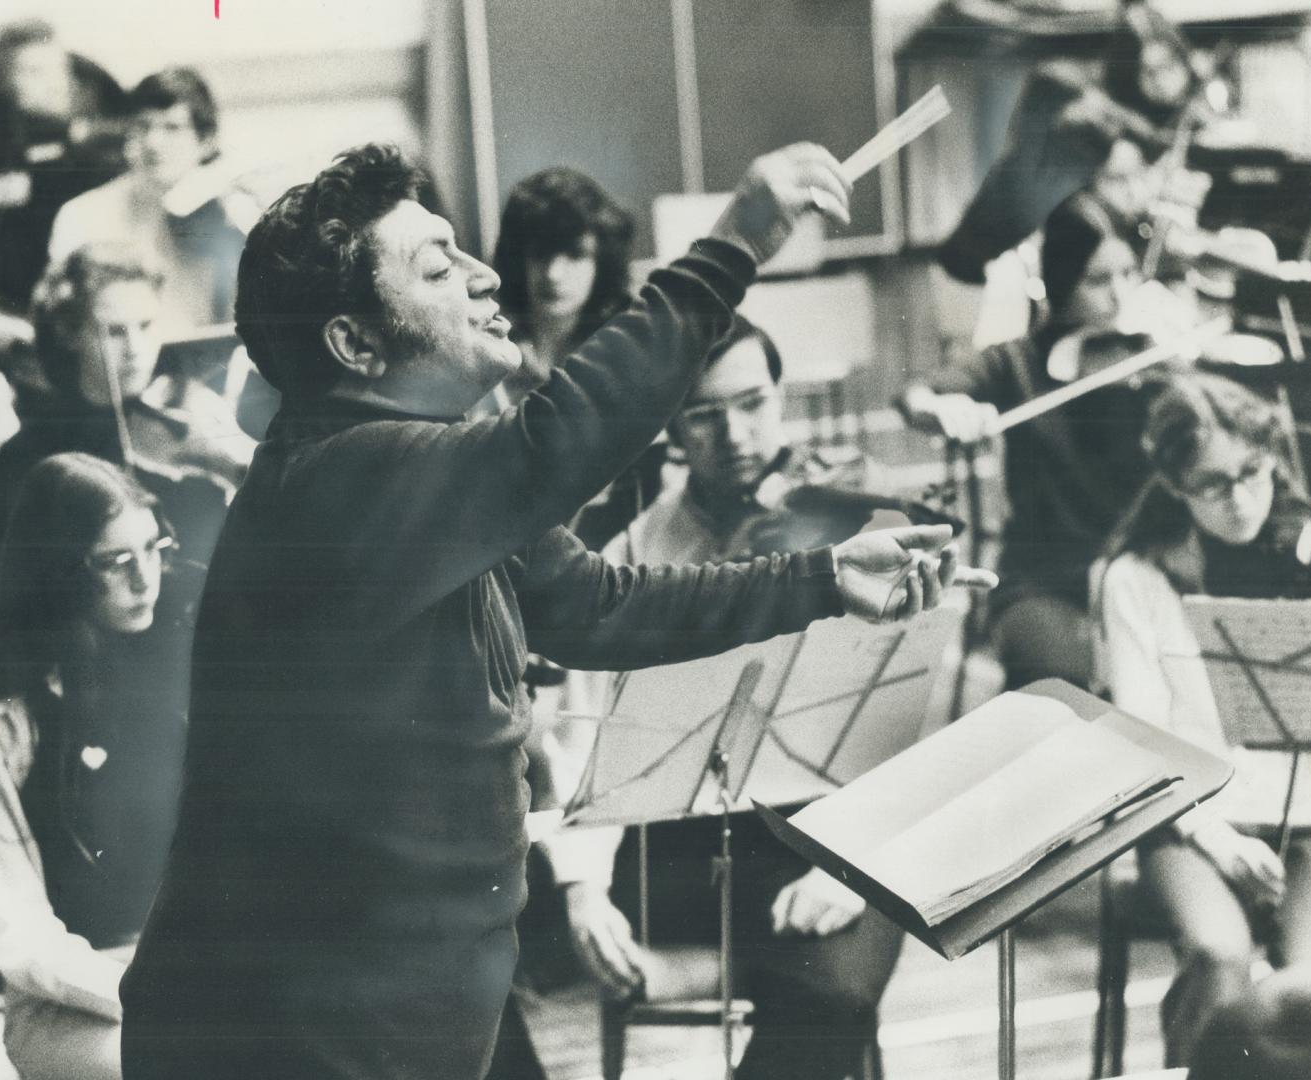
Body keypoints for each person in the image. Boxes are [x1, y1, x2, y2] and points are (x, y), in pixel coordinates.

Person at [119, 140, 989, 1080]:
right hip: (288, 1033)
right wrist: (734, 241)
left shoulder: (431, 472)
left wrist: (822, 578)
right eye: (438, 265)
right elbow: (556, 441)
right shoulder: (338, 479)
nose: (487, 276)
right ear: (355, 344)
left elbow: (595, 606)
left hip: (408, 1003)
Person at [533, 315, 907, 1080]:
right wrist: (582, 893)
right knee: (824, 990)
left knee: (834, 991)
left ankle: (707, 970)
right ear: (671, 426)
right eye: (705, 414)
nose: (736, 434)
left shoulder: (849, 533)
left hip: (821, 833)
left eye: (754, 404)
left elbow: (893, 728)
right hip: (679, 848)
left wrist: (853, 864)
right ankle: (740, 967)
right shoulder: (632, 554)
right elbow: (580, 743)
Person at [1096, 372, 1311, 1066]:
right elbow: (1144, 740)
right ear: (1174, 486)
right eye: (1211, 484)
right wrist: (1216, 839)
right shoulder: (1136, 579)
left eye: (1251, 472)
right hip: (1189, 819)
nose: (1240, 500)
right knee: (1215, 953)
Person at [0, 453, 199, 1080]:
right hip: (70, 1002)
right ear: (57, 572)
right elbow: (25, 947)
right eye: (116, 562)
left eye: (155, 549)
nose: (146, 580)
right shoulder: (3, 726)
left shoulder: (173, 672)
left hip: (184, 973)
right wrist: (162, 999)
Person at [900, 192, 1156, 688]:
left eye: (1129, 274)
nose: (1121, 296)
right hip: (1044, 580)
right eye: (1099, 280)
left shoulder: (1153, 356)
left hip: (1140, 572)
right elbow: (917, 396)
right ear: (1060, 285)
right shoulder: (1016, 363)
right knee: (1068, 685)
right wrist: (942, 409)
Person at [0, 243, 254, 573]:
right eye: (114, 332)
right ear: (69, 333)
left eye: (145, 326)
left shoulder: (186, 418)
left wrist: (227, 465)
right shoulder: (27, 456)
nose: (136, 349)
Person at [937, 0, 1207, 285]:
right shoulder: (1086, 96)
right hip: (1035, 204)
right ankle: (969, 256)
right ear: (1132, 72)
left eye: (1168, 66)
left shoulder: (1187, 104)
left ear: (1182, 57)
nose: (1163, 81)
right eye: (1149, 72)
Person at [489, 167, 654, 548]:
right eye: (541, 255)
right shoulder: (491, 354)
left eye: (575, 255)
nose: (553, 274)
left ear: (602, 264)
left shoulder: (620, 359)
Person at [48, 67, 251, 338]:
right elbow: (63, 323)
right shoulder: (81, 214)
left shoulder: (232, 213)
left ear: (205, 141)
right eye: (143, 126)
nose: (153, 142)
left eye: (172, 127)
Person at [0, 19, 125, 356]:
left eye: (58, 68)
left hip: (100, 306)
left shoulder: (102, 118)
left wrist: (34, 182)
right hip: (9, 314)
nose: (55, 83)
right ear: (1, 84)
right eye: (33, 72)